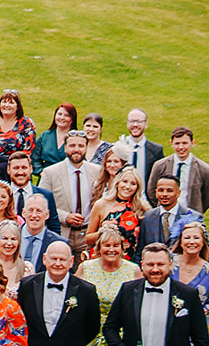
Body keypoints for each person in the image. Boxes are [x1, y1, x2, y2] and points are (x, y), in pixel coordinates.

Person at [40, 130, 96, 260]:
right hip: (62, 233)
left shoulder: (97, 171)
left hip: (87, 234)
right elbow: (42, 205)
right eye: (72, 146)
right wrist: (65, 217)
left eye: (81, 146)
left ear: (87, 148)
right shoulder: (50, 173)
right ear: (65, 148)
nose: (76, 149)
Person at [147, 126, 209, 215]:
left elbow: (208, 197)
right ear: (171, 143)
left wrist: (196, 212)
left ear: (192, 143)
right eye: (177, 143)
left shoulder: (203, 169)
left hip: (190, 217)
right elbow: (151, 191)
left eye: (185, 143)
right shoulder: (160, 166)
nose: (181, 147)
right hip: (166, 215)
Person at [87, 165, 149, 258]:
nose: (128, 187)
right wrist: (104, 231)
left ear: (137, 187)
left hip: (130, 259)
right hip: (103, 257)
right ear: (117, 183)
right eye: (124, 182)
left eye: (133, 183)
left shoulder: (142, 208)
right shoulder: (101, 204)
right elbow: (88, 239)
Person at [141, 174, 204, 249]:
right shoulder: (147, 217)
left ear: (178, 193)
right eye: (161, 190)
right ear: (156, 192)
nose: (164, 194)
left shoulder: (193, 217)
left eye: (169, 191)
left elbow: (204, 249)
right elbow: (141, 248)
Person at [118, 109, 165, 189]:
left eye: (139, 121)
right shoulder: (118, 148)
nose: (135, 124)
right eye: (132, 121)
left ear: (146, 124)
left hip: (145, 198)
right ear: (127, 124)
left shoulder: (156, 150)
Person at [32, 103, 78, 175]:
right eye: (59, 114)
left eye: (66, 115)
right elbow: (34, 157)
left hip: (67, 177)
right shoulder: (46, 135)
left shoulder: (76, 138)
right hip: (46, 177)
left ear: (72, 119)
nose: (62, 118)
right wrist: (41, 172)